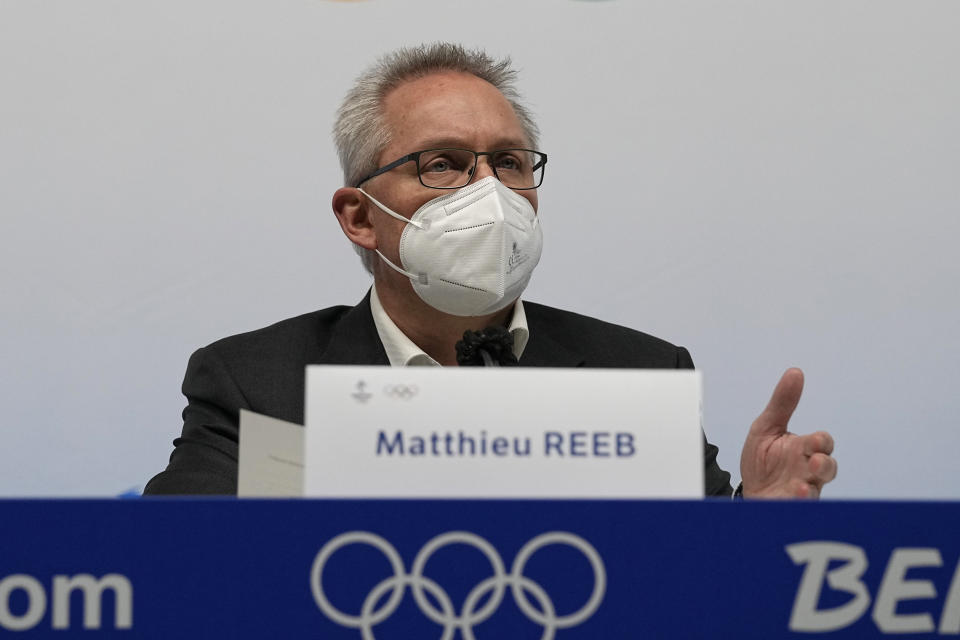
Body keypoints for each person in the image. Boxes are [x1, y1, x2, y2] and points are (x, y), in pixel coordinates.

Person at [144, 43, 837, 498]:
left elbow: (695, 583)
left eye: (509, 163)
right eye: (441, 163)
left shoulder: (641, 372)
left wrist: (753, 524)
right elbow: (174, 567)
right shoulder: (255, 382)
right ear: (359, 216)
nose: (490, 193)